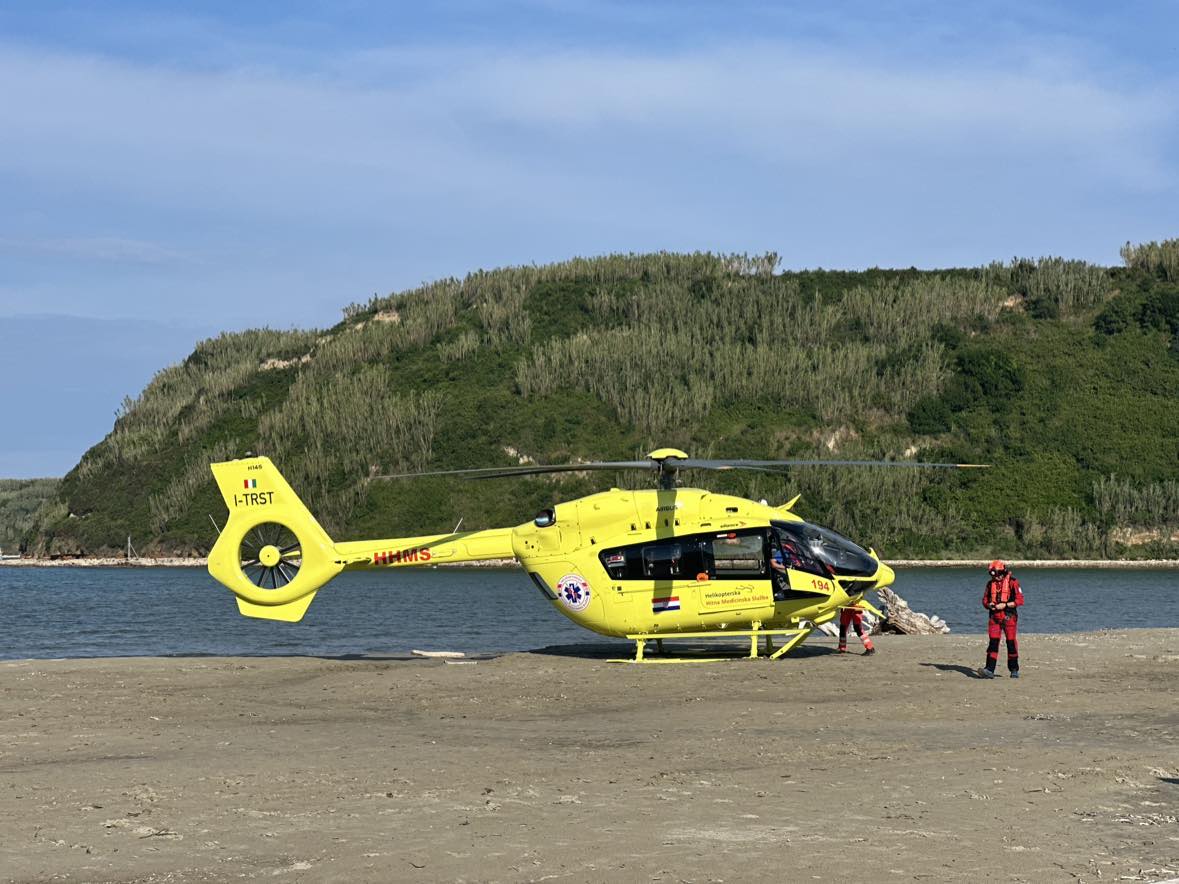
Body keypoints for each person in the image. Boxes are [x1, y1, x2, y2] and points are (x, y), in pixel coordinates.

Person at [977, 560, 1024, 679]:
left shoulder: (1013, 582)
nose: (996, 577)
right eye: (993, 575)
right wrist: (989, 605)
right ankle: (989, 670)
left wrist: (1006, 605)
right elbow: (984, 600)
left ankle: (1014, 669)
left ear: (1003, 572)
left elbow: (1020, 600)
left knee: (1011, 643)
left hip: (1009, 617)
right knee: (993, 644)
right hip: (994, 618)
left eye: (998, 574)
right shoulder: (989, 584)